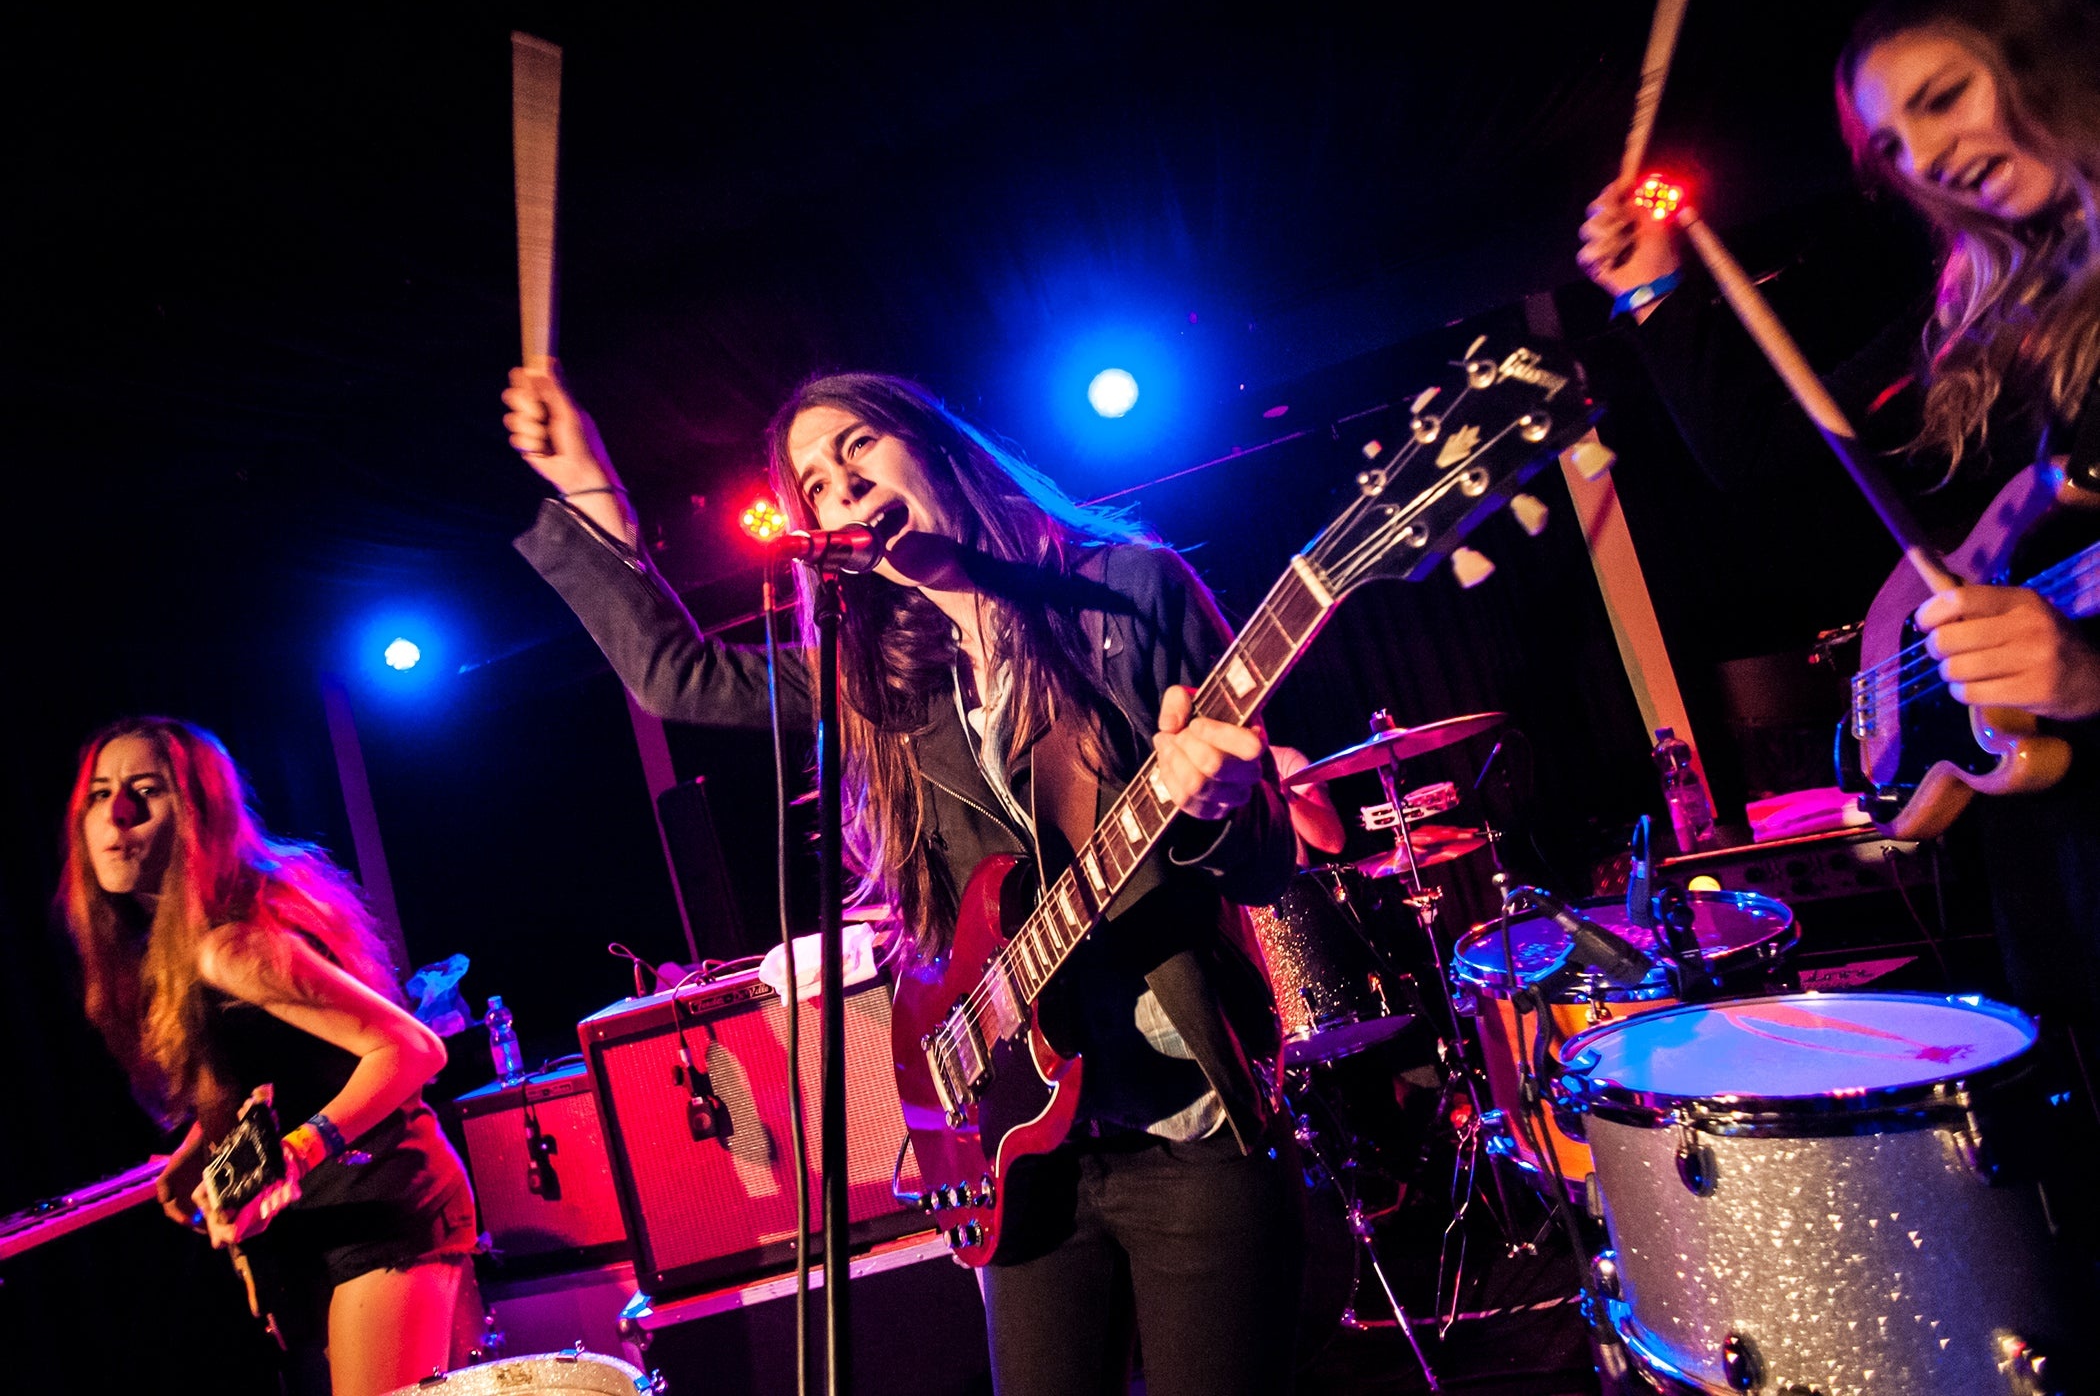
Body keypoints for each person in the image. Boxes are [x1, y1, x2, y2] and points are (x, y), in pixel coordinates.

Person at [503, 367, 1303, 1395]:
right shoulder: (876, 678)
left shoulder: (1125, 591)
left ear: (934, 449)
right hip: (1027, 1154)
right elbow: (677, 675)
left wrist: (1223, 800)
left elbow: (1268, 864)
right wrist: (590, 484)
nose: (839, 490)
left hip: (1187, 1122)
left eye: (857, 450)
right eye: (814, 486)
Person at [1578, 0, 2100, 1070]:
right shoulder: (1983, 307)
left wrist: (2092, 674)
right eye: (1897, 146)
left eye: (1946, 98)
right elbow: (1769, 458)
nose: (1930, 159)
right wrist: (1657, 292)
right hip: (2059, 870)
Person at [58, 717, 480, 1395]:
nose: (118, 814)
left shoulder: (228, 946)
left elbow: (411, 1048)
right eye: (100, 794)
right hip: (344, 1210)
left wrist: (298, 1151)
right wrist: (198, 1148)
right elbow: (295, 1066)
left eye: (146, 790)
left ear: (200, 813)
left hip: (383, 1204)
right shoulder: (183, 938)